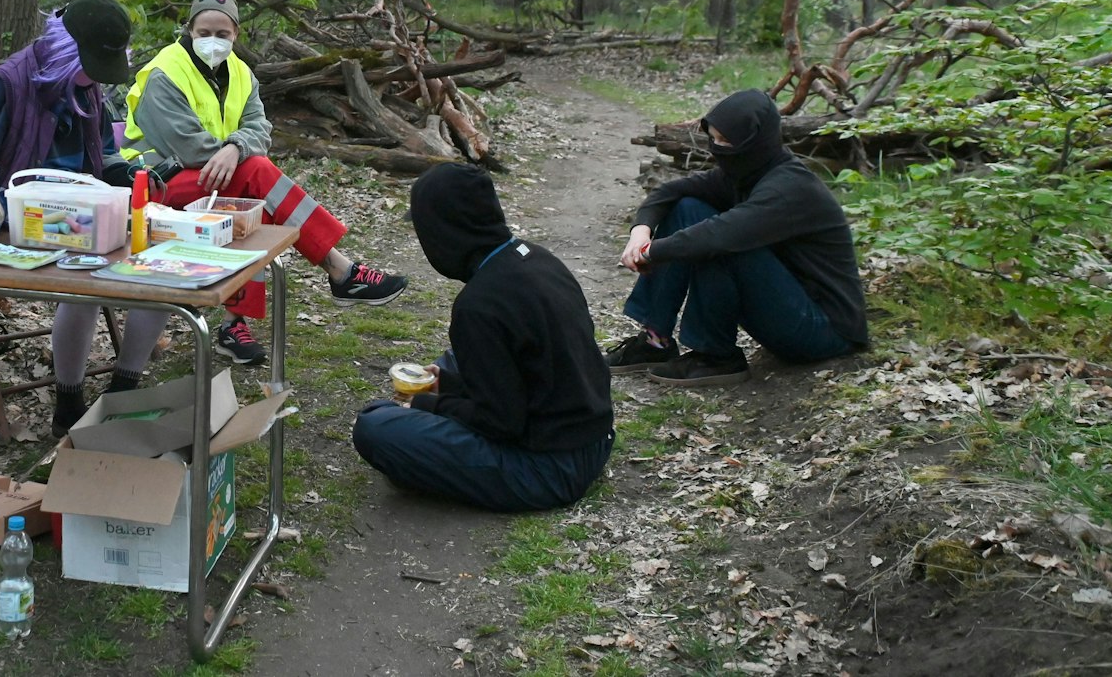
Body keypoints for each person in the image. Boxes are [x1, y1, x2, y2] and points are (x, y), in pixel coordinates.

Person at [119, 0, 410, 369]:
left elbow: (260, 128)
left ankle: (234, 325)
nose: (213, 40)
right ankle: (339, 270)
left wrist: (237, 146)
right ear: (188, 29)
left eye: (222, 34)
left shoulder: (240, 72)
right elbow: (188, 148)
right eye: (204, 31)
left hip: (213, 180)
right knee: (256, 175)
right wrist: (238, 151)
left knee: (255, 199)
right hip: (154, 185)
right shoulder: (165, 73)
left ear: (236, 34)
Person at [0, 0, 170, 436]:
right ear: (64, 51)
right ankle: (69, 398)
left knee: (162, 267)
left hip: (80, 219)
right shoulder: (5, 86)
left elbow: (105, 156)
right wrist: (1, 200)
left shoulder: (87, 88)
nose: (93, 80)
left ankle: (122, 386)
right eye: (89, 68)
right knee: (89, 276)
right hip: (12, 225)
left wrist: (133, 175)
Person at [352, 164, 614, 511]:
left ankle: (424, 459)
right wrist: (448, 385)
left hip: (548, 469)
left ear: (446, 231)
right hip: (594, 439)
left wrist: (428, 405)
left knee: (375, 425)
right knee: (451, 363)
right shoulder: (538, 258)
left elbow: (501, 423)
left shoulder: (478, 307)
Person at [604, 88, 868, 386]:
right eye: (714, 139)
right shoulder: (748, 173)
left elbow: (719, 235)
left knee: (719, 241)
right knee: (689, 207)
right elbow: (670, 192)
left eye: (726, 142)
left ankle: (717, 355)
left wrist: (651, 252)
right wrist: (640, 233)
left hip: (826, 332)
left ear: (754, 141)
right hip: (792, 308)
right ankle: (656, 342)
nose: (718, 149)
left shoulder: (790, 188)